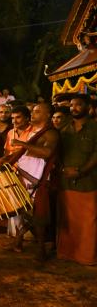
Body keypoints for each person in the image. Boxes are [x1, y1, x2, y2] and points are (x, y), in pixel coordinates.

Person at [5, 103, 59, 260]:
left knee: (38, 214)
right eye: (32, 111)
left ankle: (41, 248)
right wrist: (7, 158)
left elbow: (47, 153)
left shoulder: (51, 134)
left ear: (47, 115)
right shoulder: (32, 132)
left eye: (37, 112)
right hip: (25, 174)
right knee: (26, 211)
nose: (32, 114)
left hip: (38, 178)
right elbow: (26, 153)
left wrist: (22, 144)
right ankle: (19, 240)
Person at [57, 94, 97, 265]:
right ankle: (67, 254)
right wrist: (62, 169)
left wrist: (80, 171)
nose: (73, 108)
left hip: (88, 181)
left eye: (78, 105)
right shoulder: (63, 128)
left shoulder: (94, 128)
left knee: (89, 221)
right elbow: (56, 152)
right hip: (65, 181)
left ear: (88, 107)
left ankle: (87, 257)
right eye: (72, 105)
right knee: (67, 221)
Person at [0, 105, 34, 238]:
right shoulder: (10, 133)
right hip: (13, 172)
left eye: (18, 117)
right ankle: (16, 235)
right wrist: (3, 159)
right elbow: (8, 152)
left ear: (27, 118)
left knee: (29, 205)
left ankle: (29, 236)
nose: (14, 121)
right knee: (15, 203)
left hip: (30, 174)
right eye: (12, 118)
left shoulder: (33, 132)